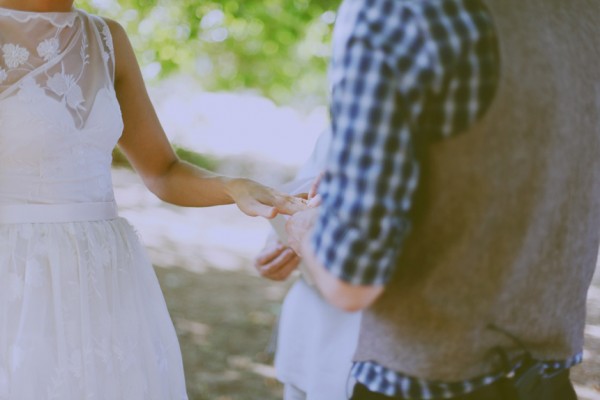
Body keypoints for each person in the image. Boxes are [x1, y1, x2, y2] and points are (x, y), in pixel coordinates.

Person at [286, 0, 600, 399]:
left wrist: (305, 229)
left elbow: (351, 279)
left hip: (425, 383)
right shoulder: (584, 13)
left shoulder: (399, 10)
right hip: (549, 384)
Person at [0, 0, 306, 399]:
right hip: (17, 276)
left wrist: (232, 187)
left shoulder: (108, 38)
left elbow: (163, 171)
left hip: (104, 277)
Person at [254, 130, 361, 400]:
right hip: (313, 322)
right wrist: (277, 245)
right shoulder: (338, 128)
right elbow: (301, 191)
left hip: (372, 331)